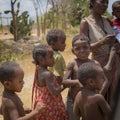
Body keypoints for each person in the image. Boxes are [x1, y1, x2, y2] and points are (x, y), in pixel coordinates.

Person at [80, 0, 119, 105]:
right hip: (100, 66)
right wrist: (102, 42)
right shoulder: (86, 23)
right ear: (92, 2)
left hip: (115, 63)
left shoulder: (107, 20)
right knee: (100, 97)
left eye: (107, 3)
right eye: (102, 2)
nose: (105, 5)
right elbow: (84, 48)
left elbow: (117, 36)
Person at [63, 34, 107, 120]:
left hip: (90, 101)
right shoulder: (73, 63)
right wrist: (77, 82)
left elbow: (105, 80)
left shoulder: (95, 64)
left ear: (90, 49)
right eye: (78, 49)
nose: (82, 50)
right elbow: (64, 81)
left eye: (85, 47)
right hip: (73, 100)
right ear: (73, 51)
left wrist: (99, 95)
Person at [32, 44, 68, 120]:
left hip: (41, 101)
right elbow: (54, 92)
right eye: (51, 57)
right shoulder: (47, 74)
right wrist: (65, 85)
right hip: (50, 104)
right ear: (41, 60)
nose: (54, 59)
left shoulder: (38, 69)